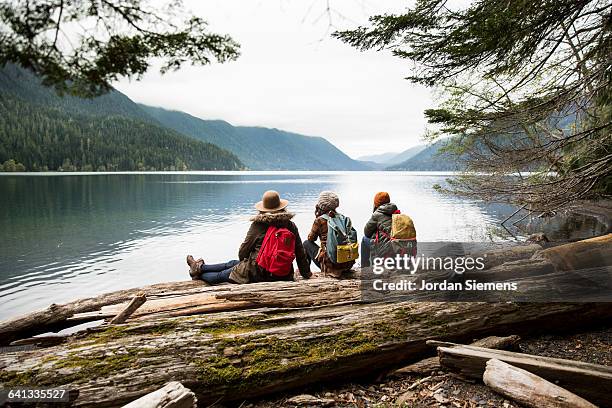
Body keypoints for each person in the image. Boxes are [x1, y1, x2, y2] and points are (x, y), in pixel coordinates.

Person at [187, 190, 311, 284]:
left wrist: (247, 261)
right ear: (282, 207)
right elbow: (300, 253)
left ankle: (197, 273)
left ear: (263, 208)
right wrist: (306, 274)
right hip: (283, 274)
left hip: (257, 273)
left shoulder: (258, 225)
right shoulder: (290, 225)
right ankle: (200, 267)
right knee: (232, 263)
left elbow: (243, 252)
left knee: (221, 275)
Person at [303, 191, 357, 278]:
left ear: (321, 205)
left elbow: (311, 238)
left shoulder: (320, 220)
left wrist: (317, 218)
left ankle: (306, 273)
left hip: (331, 266)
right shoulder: (343, 218)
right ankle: (344, 265)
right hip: (347, 263)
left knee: (306, 244)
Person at [361, 191, 399, 267]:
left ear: (376, 203)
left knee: (364, 240)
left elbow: (367, 232)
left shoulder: (377, 214)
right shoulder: (396, 212)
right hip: (397, 248)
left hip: (385, 249)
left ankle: (364, 267)